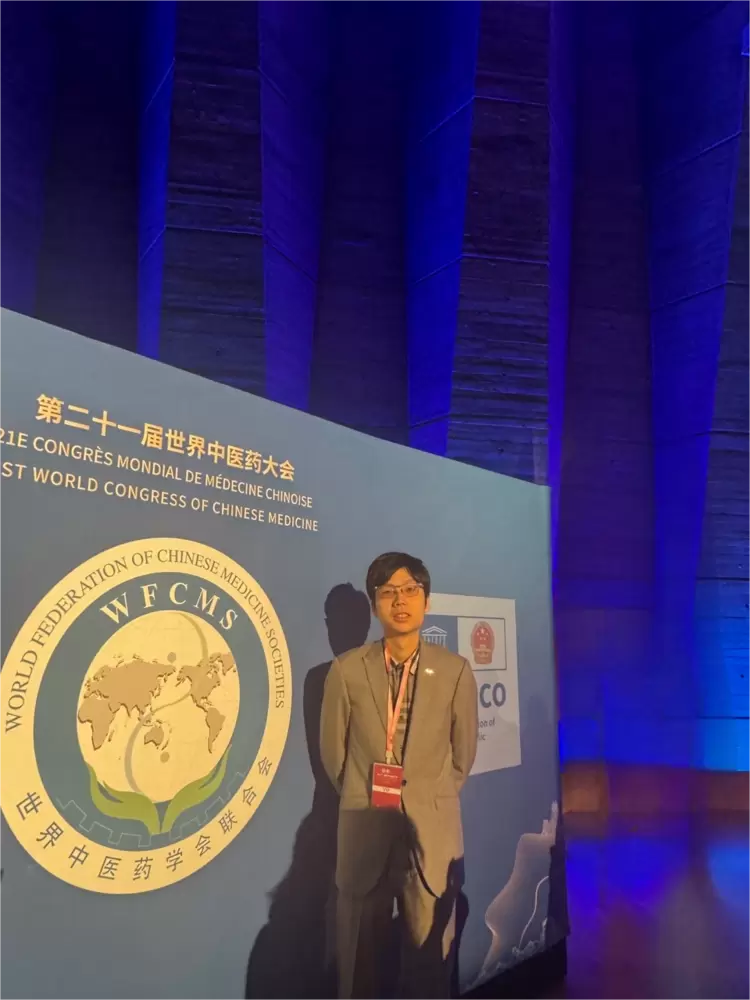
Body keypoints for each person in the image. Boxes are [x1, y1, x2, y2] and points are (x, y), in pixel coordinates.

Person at [320, 552, 478, 999]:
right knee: (358, 967)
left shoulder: (455, 671)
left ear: (426, 601)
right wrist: (366, 796)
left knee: (429, 968)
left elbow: (462, 758)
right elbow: (335, 759)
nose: (400, 600)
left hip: (430, 836)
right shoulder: (345, 672)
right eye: (388, 592)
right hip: (365, 830)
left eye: (410, 590)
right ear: (375, 606)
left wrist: (424, 797)